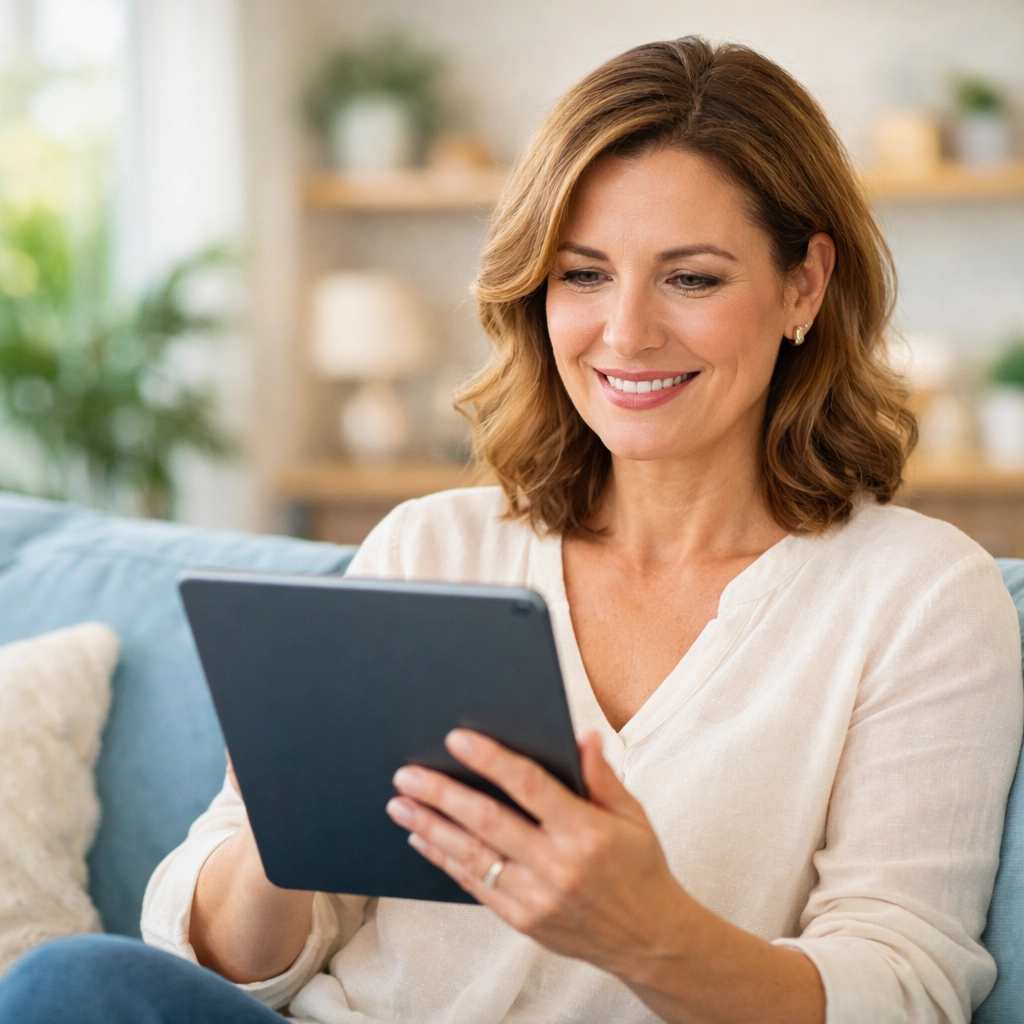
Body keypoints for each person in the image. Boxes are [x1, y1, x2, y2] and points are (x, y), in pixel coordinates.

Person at [1, 34, 1020, 1024]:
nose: (624, 332)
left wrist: (643, 930)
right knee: (71, 987)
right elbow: (225, 964)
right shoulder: (429, 549)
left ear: (802, 283)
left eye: (692, 277)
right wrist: (290, 823)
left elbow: (905, 990)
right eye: (582, 274)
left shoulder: (917, 592)